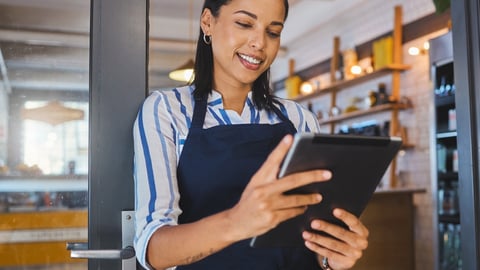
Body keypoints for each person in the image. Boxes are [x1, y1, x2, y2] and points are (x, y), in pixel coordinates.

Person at [133, 0, 369, 269]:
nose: (260, 43)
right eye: (245, 24)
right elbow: (153, 249)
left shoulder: (299, 118)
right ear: (208, 22)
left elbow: (314, 234)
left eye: (273, 32)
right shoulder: (167, 110)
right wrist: (237, 222)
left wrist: (332, 255)